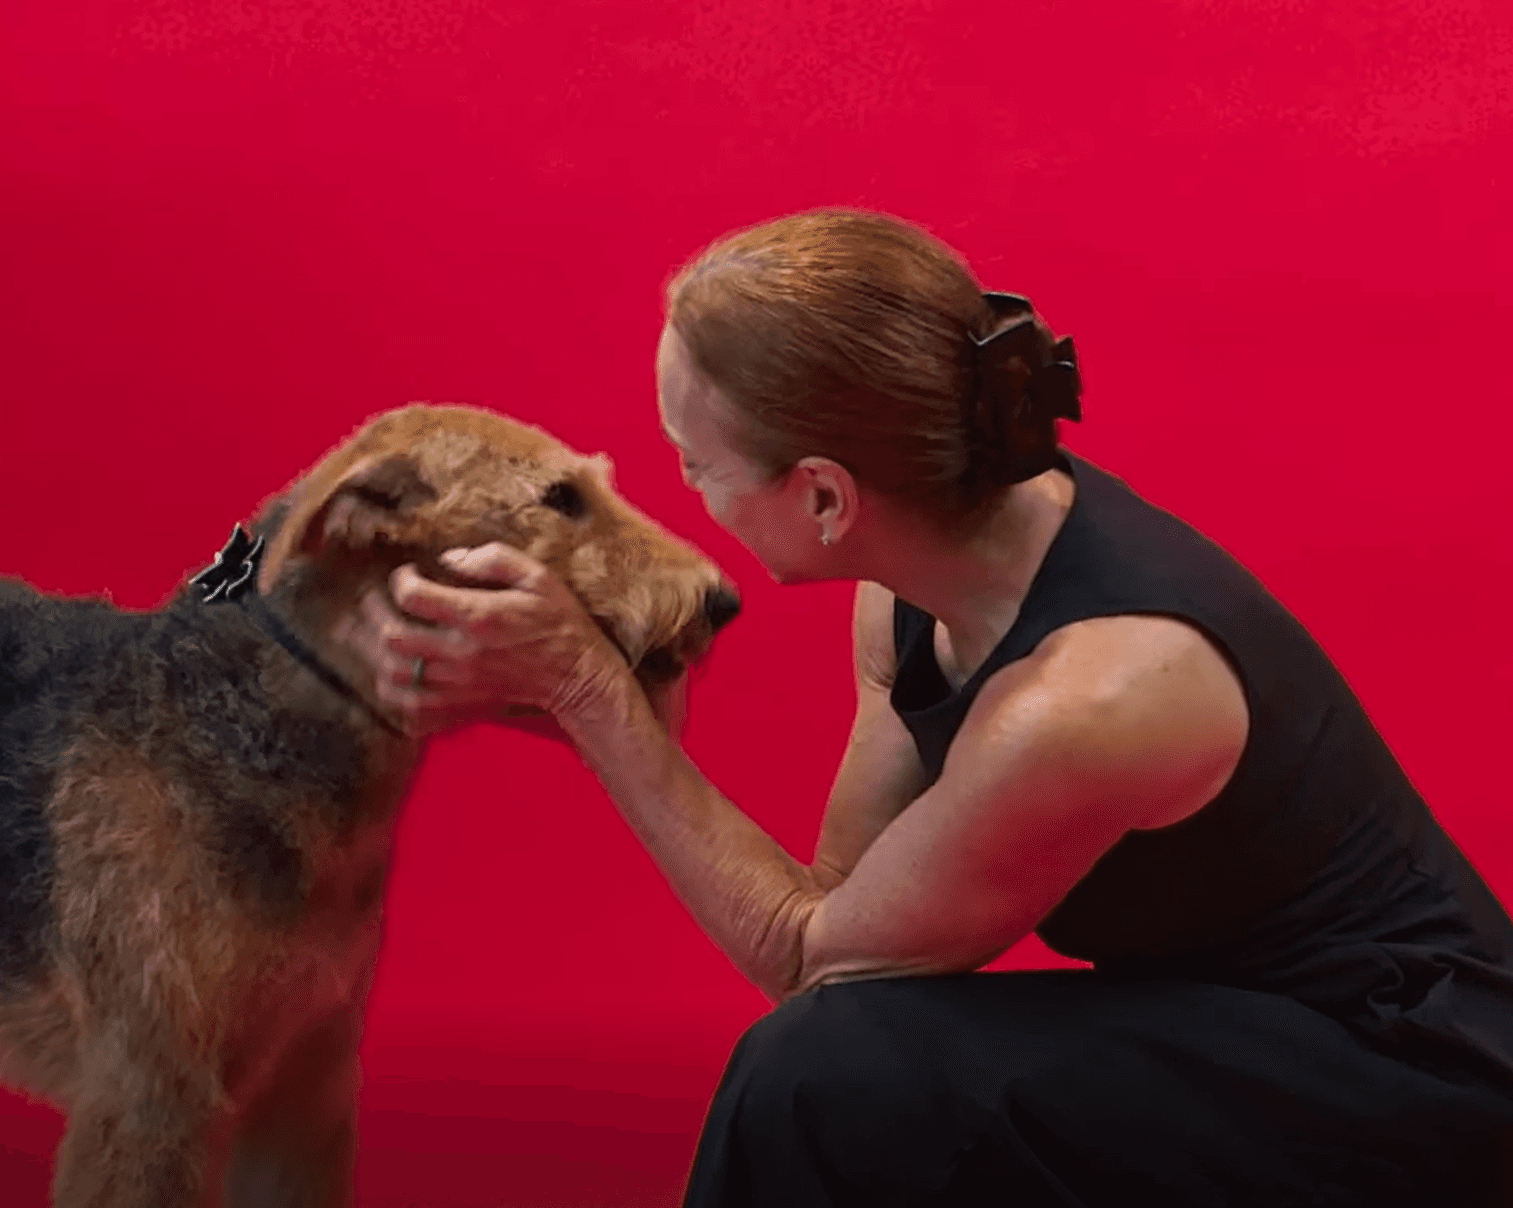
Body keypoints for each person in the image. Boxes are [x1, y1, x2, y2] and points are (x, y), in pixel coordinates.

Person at [340, 208, 1513, 1206]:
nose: (683, 492)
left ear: (824, 498)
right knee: (839, 1066)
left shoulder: (1092, 693)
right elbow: (847, 916)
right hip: (1222, 1024)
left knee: (819, 1070)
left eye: (694, 463)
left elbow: (813, 967)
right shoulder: (918, 598)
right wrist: (629, 705)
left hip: (1418, 1086)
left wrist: (593, 698)